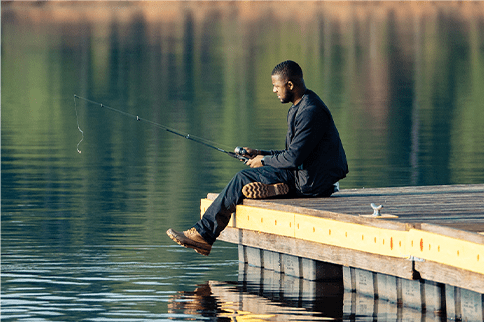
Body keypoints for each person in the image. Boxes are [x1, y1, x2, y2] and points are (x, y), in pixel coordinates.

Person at [167, 60, 348, 256]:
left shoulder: (311, 111)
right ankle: (277, 190)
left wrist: (262, 161)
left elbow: (294, 158)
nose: (273, 90)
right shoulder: (300, 106)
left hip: (311, 182)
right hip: (306, 175)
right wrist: (260, 153)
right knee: (247, 177)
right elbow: (294, 153)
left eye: (276, 86)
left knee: (242, 178)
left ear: (290, 85)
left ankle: (203, 235)